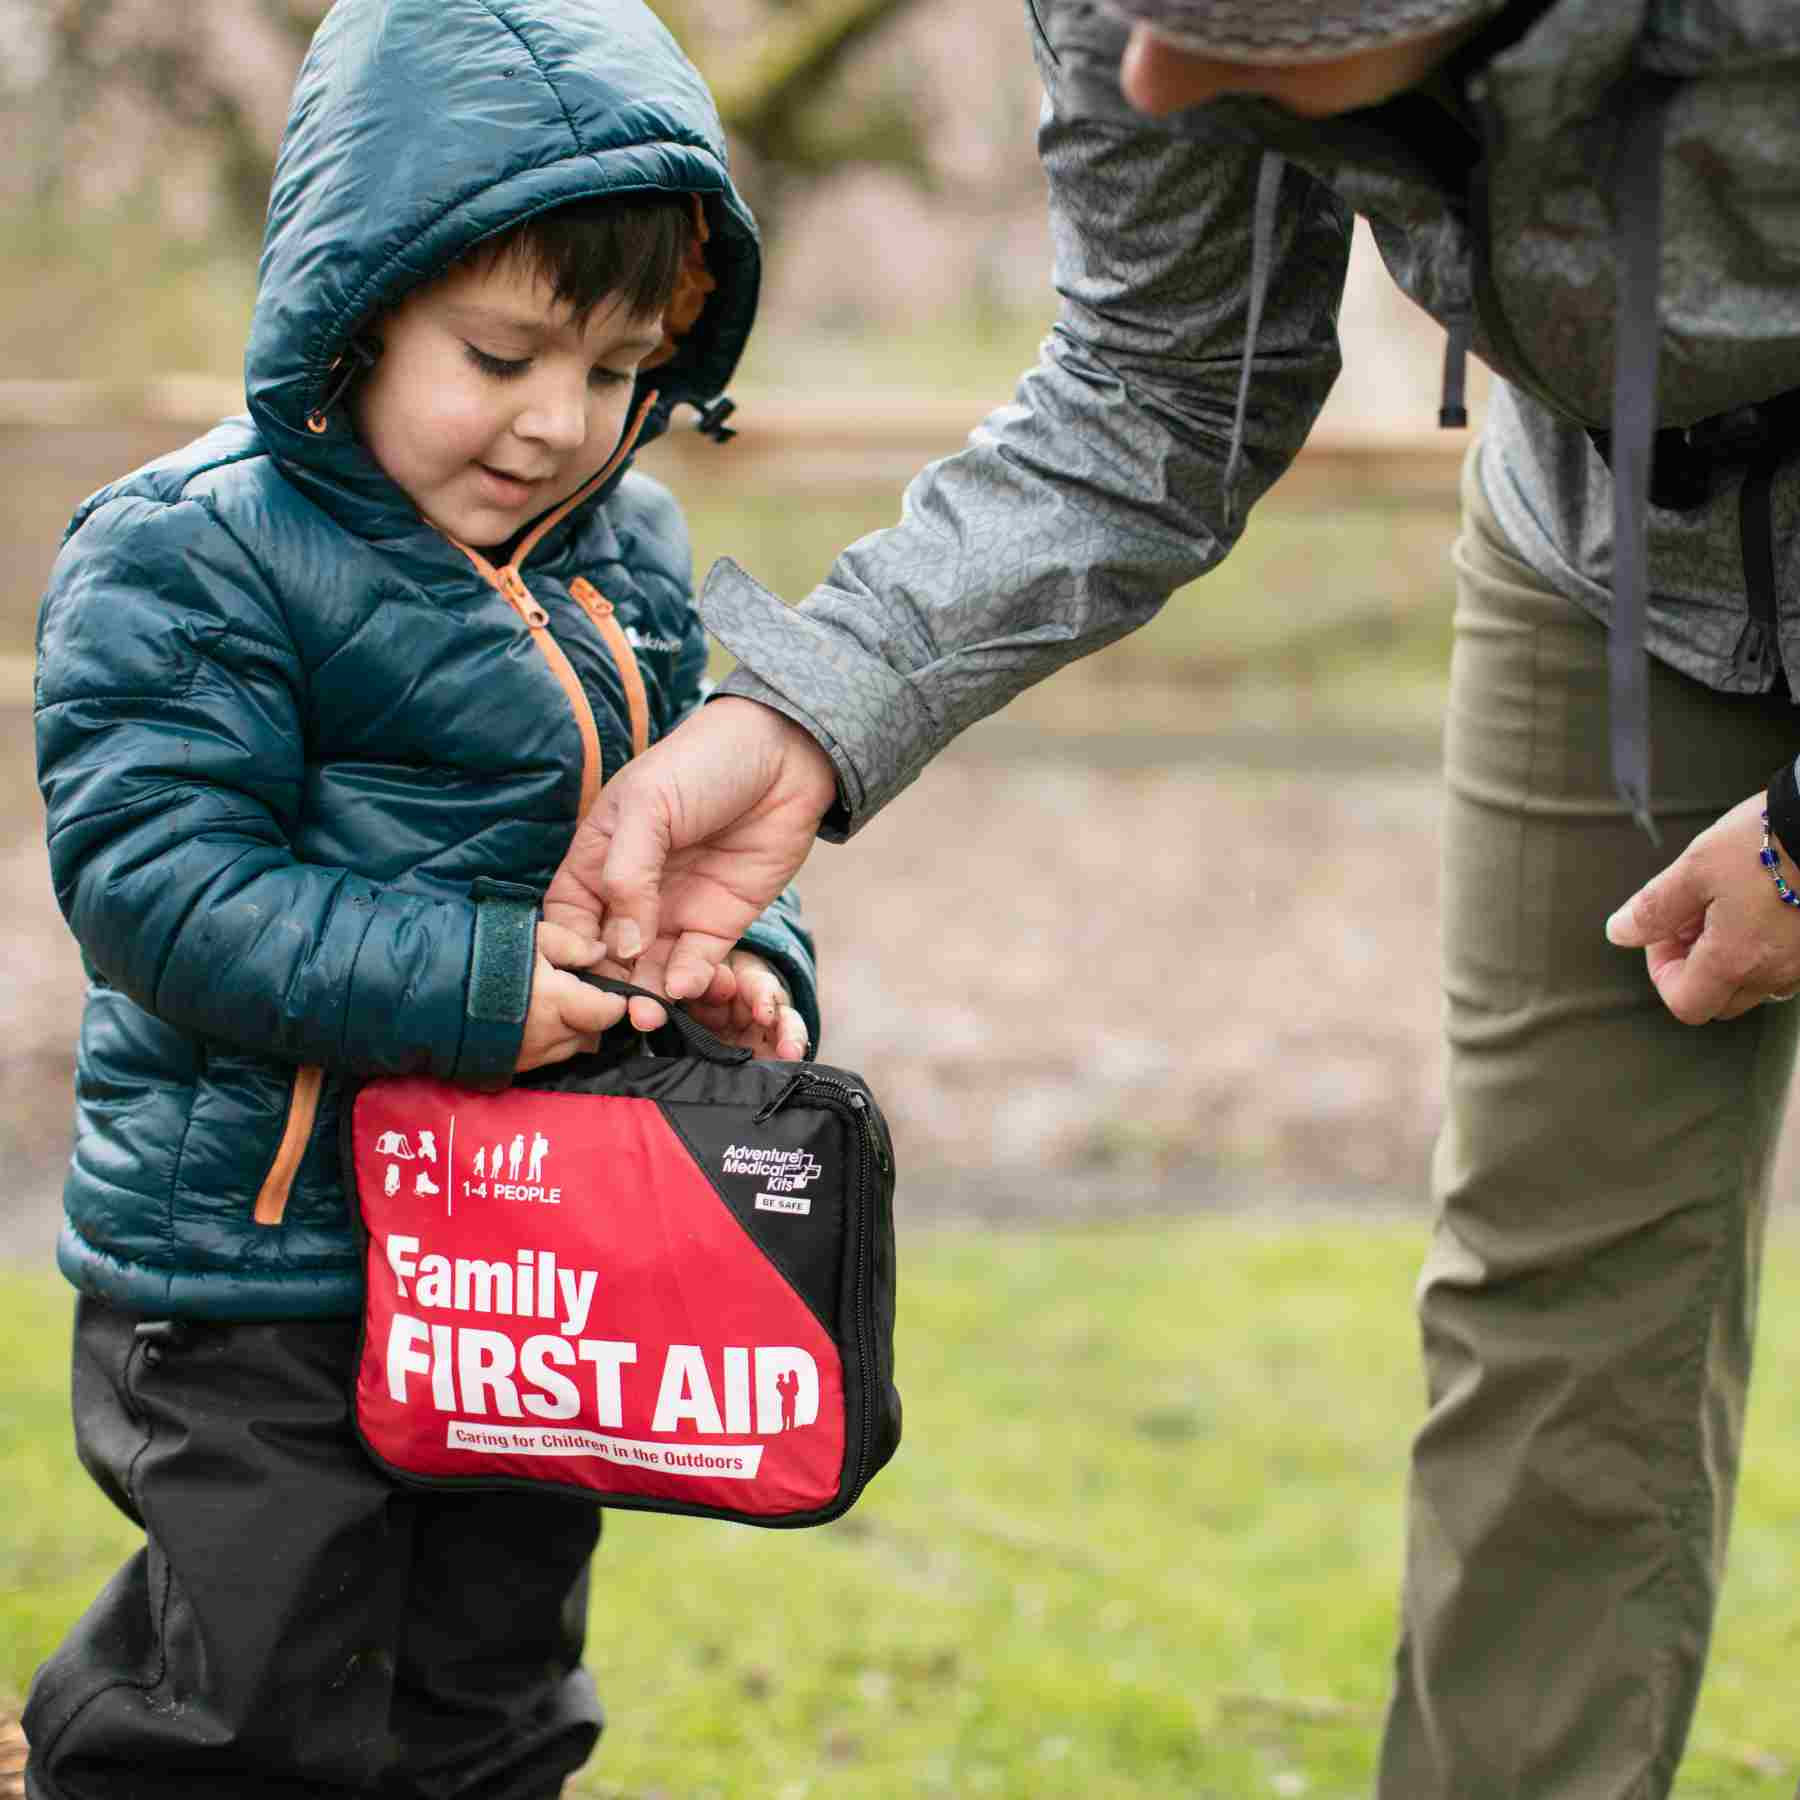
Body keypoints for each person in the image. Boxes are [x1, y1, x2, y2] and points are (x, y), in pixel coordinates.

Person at [544, 2, 1800, 1794]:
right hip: (1616, 545)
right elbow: (1158, 388)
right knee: (1556, 1317)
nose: (1145, 80)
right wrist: (805, 714)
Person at [25, 1, 816, 1793]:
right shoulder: (191, 553)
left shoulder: (635, 561)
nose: (558, 424)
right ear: (359, 298)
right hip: (255, 1261)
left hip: (531, 1253)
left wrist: (744, 960)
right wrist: (474, 983)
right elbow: (158, 888)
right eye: (503, 350)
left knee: (493, 1685)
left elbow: (692, 826)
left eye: (616, 374)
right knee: (247, 1698)